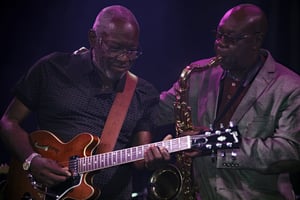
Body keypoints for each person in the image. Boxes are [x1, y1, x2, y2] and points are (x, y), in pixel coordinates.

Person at [0, 5, 160, 200]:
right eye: (116, 48)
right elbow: (9, 122)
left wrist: (154, 158)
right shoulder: (52, 69)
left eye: (132, 51)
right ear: (93, 39)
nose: (124, 58)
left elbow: (141, 159)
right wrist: (32, 160)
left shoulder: (144, 92)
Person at [145, 3, 300, 200]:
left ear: (256, 40)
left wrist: (215, 145)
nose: (220, 43)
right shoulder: (197, 74)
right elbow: (154, 113)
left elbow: (289, 153)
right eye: (219, 35)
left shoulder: (290, 87)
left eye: (231, 39)